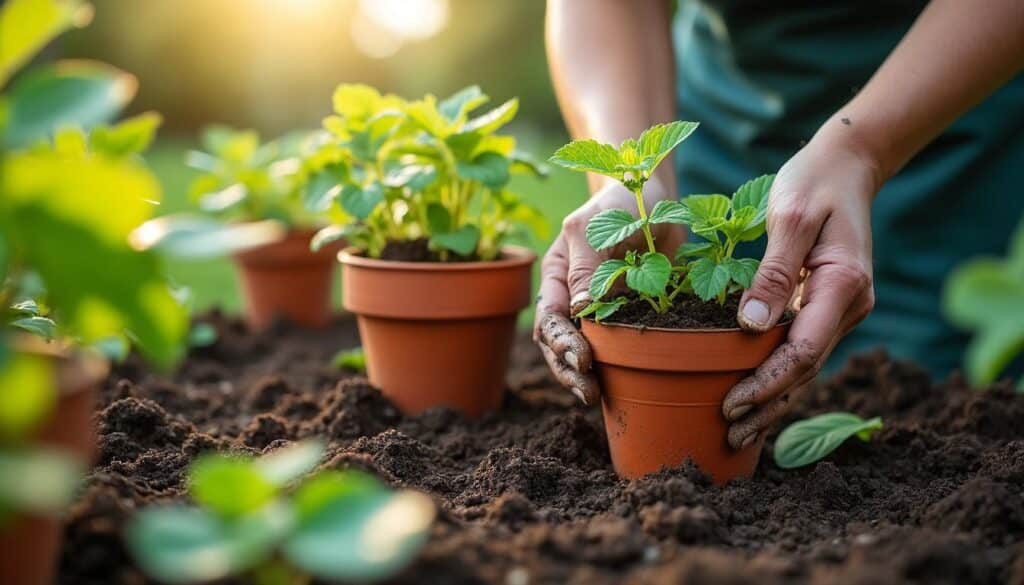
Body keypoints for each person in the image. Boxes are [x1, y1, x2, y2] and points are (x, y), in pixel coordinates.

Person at [535, 0, 1024, 450]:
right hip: (722, 121)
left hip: (944, 122)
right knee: (702, 314)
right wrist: (626, 186)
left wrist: (863, 149)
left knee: (930, 417)